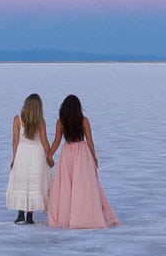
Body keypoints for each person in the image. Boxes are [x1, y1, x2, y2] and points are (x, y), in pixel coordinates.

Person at [45, 93, 119, 229]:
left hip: (67, 153)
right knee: (83, 185)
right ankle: (83, 214)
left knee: (67, 185)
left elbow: (56, 142)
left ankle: (67, 216)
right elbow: (89, 140)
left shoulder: (61, 122)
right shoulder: (84, 120)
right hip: (82, 153)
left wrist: (49, 156)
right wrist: (94, 156)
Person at [6, 93, 54, 223]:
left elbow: (15, 141)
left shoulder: (17, 119)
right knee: (34, 181)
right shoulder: (40, 121)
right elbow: (44, 141)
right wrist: (49, 156)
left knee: (23, 181)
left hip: (22, 153)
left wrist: (14, 158)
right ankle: (30, 216)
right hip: (37, 153)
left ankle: (21, 214)